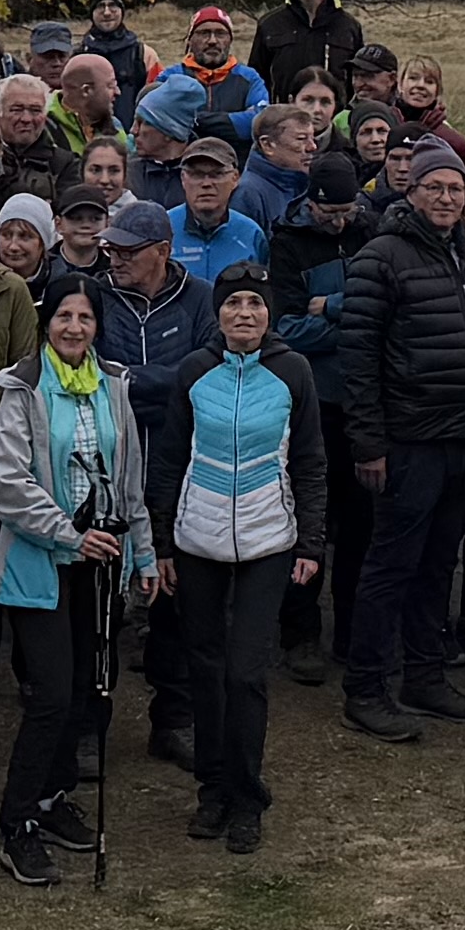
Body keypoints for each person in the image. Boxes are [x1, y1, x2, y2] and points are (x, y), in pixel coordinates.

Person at [143, 268, 321, 853]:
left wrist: (311, 541)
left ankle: (248, 795)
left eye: (255, 304)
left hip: (270, 540)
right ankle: (212, 789)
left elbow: (311, 462)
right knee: (207, 669)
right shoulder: (195, 371)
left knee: (247, 672)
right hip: (197, 540)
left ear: (269, 313)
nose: (244, 313)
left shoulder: (293, 371)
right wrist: (162, 542)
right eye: (233, 304)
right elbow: (169, 458)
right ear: (217, 314)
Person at [0, 278, 138, 890]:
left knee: (88, 692)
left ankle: (53, 797)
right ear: (47, 322)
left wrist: (142, 554)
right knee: (49, 694)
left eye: (85, 317)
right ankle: (15, 822)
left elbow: (129, 478)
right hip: (39, 563)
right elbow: (9, 485)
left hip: (100, 563)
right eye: (64, 316)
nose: (74, 327)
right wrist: (70, 536)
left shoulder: (115, 385)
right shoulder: (21, 389)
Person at [339, 144, 465, 742]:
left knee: (438, 565)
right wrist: (369, 443)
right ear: (411, 190)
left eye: (457, 189)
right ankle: (366, 687)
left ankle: (424, 675)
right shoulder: (381, 257)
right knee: (390, 566)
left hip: (460, 438)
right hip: (406, 441)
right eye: (436, 187)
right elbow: (359, 360)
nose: (448, 199)